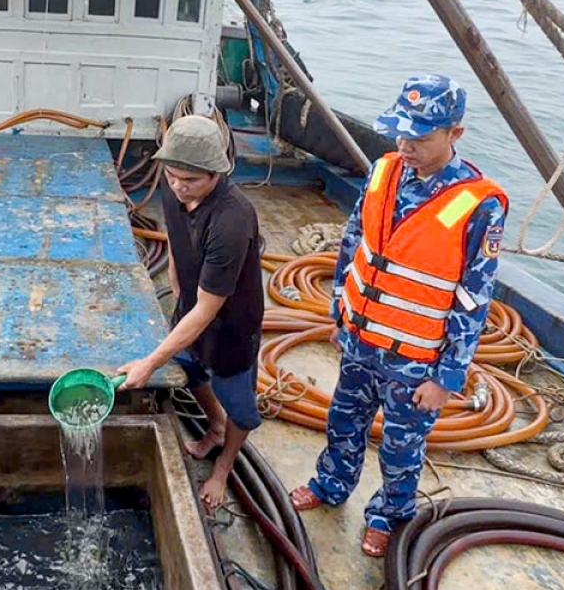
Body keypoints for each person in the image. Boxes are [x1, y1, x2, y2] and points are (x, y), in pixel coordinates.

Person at [289, 74, 508, 558]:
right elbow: (354, 243)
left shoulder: (480, 206)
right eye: (400, 134)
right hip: (360, 341)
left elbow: (474, 299)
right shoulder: (384, 171)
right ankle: (330, 484)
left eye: (420, 138)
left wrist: (446, 378)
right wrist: (340, 314)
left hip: (415, 361)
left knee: (401, 449)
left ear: (454, 134)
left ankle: (388, 515)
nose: (406, 146)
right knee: (342, 422)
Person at [117, 115, 264, 511]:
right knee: (192, 372)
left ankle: (224, 466)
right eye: (172, 176)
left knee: (240, 407)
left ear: (216, 173)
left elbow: (207, 311)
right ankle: (214, 426)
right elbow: (176, 236)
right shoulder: (174, 189)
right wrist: (177, 281)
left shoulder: (232, 220)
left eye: (191, 180)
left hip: (231, 327)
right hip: (192, 306)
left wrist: (149, 363)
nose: (179, 186)